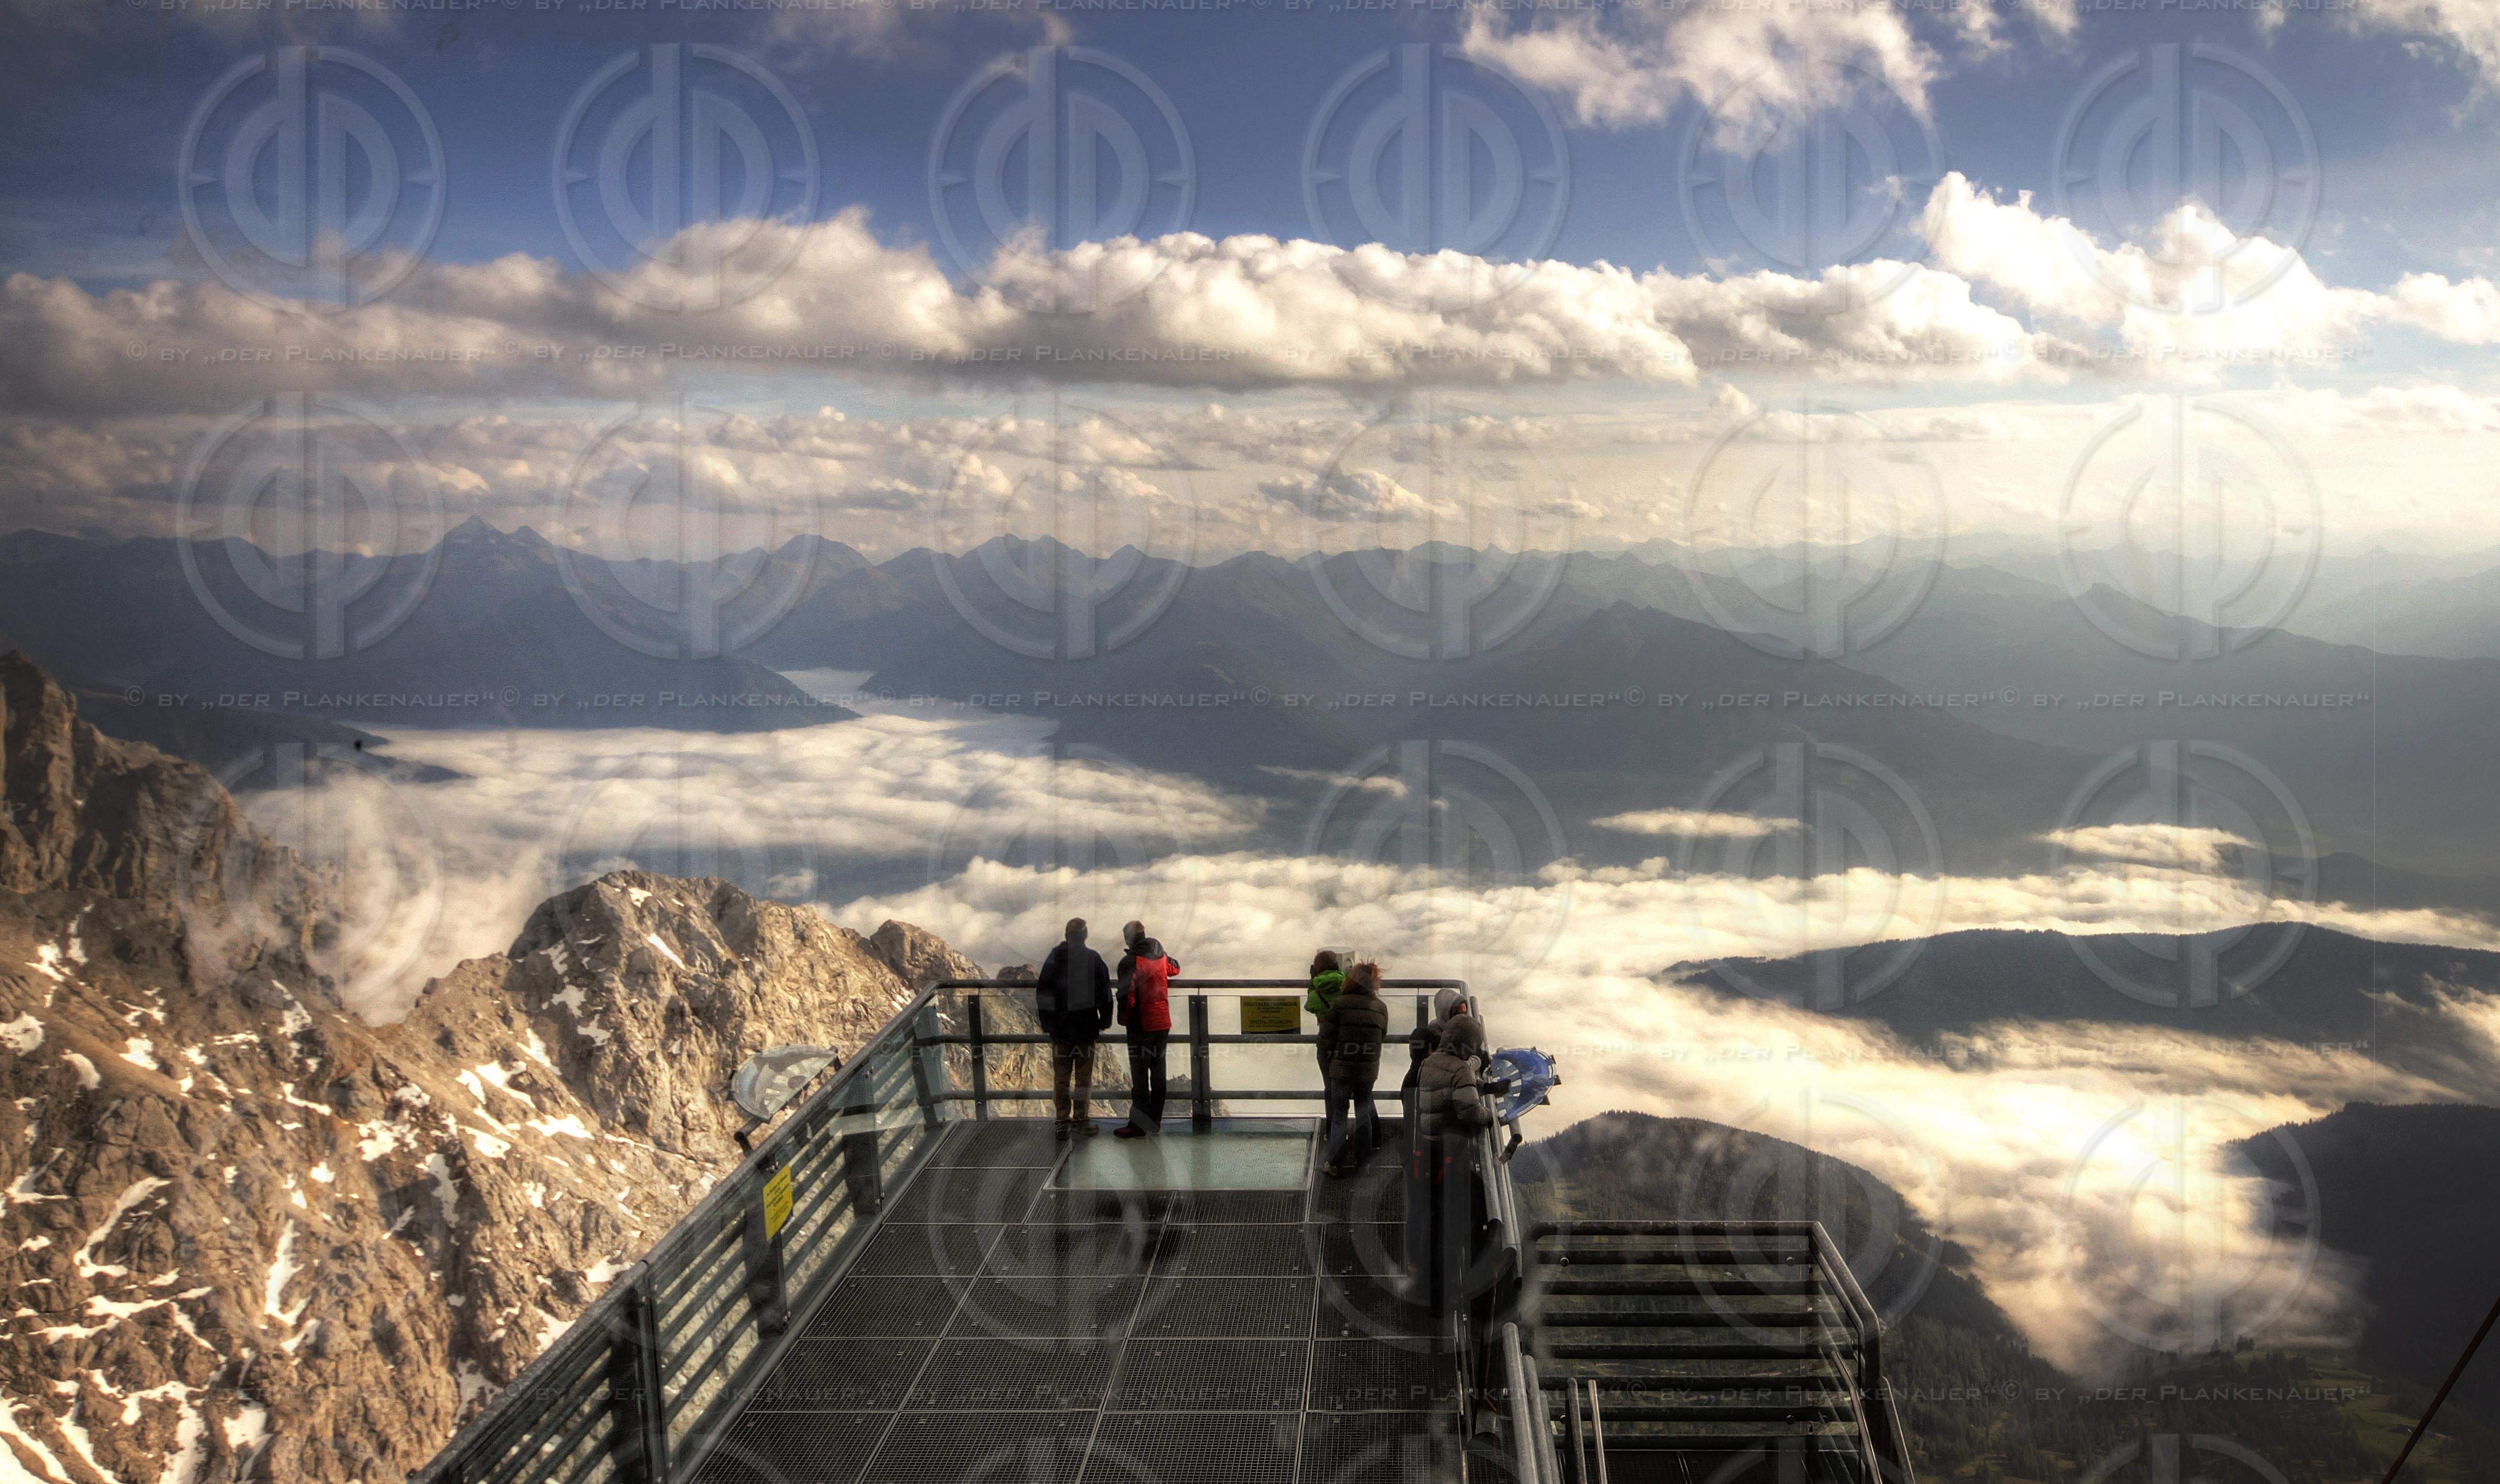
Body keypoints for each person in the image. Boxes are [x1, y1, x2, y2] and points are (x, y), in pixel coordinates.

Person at [1034, 917, 1113, 1140]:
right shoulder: (1093, 959)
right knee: (1083, 1079)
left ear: (1066, 935)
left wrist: (1047, 1022)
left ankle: (1062, 1120)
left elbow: (1043, 992)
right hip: (1086, 1028)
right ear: (1085, 936)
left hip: (1060, 1030)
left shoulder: (1054, 959)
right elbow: (1105, 994)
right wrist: (1105, 1020)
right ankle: (1081, 1119)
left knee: (1061, 1077)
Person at [1318, 959, 1390, 1176]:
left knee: (1340, 1115)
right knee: (1363, 1115)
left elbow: (1326, 1039)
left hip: (1341, 1070)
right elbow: (1382, 1036)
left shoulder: (1340, 1005)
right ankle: (1364, 1163)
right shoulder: (1381, 1008)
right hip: (1367, 1071)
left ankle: (1335, 1163)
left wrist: (1330, 1063)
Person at [1113, 920, 1179, 1139]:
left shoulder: (1130, 961)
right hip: (1163, 1023)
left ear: (1129, 939)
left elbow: (1128, 996)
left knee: (1140, 1076)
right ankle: (1155, 1121)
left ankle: (1138, 1126)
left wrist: (1123, 1019)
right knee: (1158, 1073)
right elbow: (1175, 969)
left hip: (1141, 1025)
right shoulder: (1160, 954)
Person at [1415, 1007, 1497, 1137]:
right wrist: (1488, 1115)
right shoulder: (1461, 1069)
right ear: (1470, 1046)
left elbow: (1447, 1090)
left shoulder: (1427, 1062)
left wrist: (1484, 1087)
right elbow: (1470, 1112)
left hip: (1428, 1136)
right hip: (1452, 1141)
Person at [1304, 950, 1345, 1081]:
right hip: (1350, 1039)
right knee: (1361, 1092)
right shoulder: (1349, 986)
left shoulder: (1316, 996)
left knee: (1331, 1087)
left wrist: (1312, 983)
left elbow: (1310, 1005)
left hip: (1327, 1041)